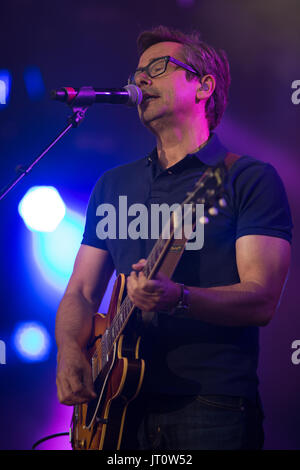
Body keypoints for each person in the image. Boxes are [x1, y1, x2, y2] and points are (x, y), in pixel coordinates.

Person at [55, 25, 293, 450]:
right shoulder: (112, 184)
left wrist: (179, 298)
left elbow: (263, 298)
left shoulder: (246, 177)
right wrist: (71, 353)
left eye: (158, 68)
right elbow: (81, 291)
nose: (140, 80)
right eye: (138, 73)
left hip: (209, 404)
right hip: (116, 407)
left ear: (203, 87)